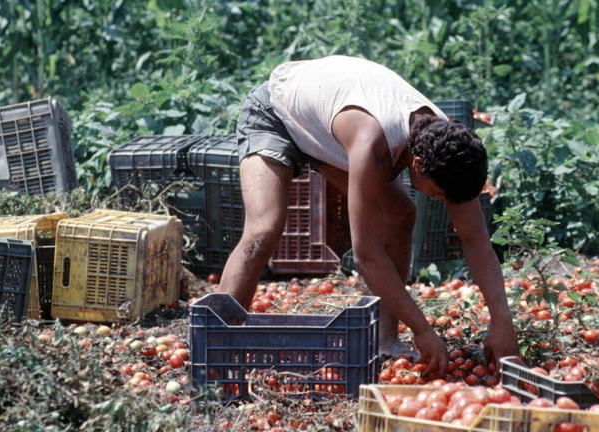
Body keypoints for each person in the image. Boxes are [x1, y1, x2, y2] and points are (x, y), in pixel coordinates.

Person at [219, 55, 519, 377]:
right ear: (417, 165)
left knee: (401, 215)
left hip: (324, 122)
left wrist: (502, 322)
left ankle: (384, 340)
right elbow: (366, 255)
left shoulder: (450, 148)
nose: (442, 202)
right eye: (438, 194)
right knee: (263, 230)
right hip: (276, 112)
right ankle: (217, 341)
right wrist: (422, 329)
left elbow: (475, 239)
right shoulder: (373, 145)